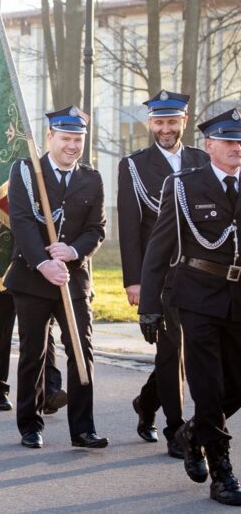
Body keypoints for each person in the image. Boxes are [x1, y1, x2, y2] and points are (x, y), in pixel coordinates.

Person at [140, 107, 241, 506]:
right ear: (209, 145)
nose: (236, 148)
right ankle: (221, 472)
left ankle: (191, 432)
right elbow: (159, 247)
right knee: (207, 385)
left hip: (239, 296)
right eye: (229, 141)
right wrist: (149, 305)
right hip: (197, 295)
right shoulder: (184, 186)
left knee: (237, 385)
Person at [5, 106, 107, 450]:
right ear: (50, 137)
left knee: (82, 351)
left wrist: (73, 251)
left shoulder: (91, 178)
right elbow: (21, 221)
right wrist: (42, 262)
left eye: (78, 140)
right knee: (33, 353)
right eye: (65, 138)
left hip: (73, 280)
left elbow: (96, 229)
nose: (72, 146)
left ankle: (83, 429)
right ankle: (30, 425)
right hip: (32, 278)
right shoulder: (26, 171)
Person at [119, 91, 206, 458]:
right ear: (150, 123)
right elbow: (130, 227)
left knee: (192, 351)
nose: (166, 129)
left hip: (200, 274)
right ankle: (175, 428)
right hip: (161, 275)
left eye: (172, 122)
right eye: (159, 122)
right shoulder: (134, 166)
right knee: (171, 351)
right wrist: (135, 281)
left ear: (184, 121)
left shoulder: (203, 160)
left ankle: (146, 402)